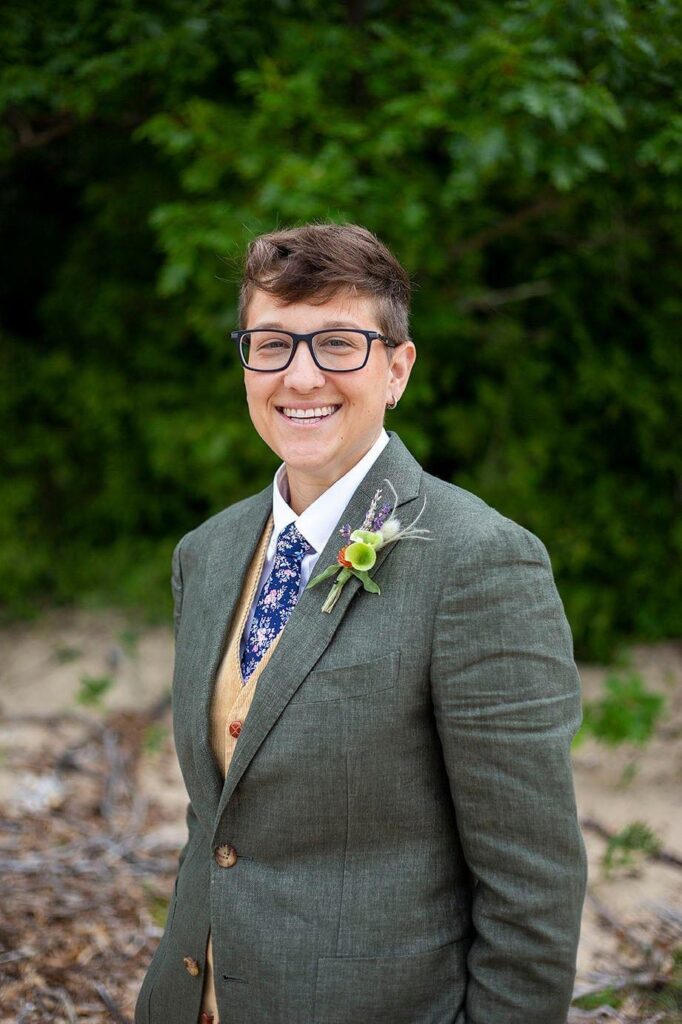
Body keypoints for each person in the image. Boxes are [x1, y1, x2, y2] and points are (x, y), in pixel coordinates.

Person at [134, 223, 587, 1024]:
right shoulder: (204, 554)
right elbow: (220, 822)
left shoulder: (480, 561)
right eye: (271, 344)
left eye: (338, 344)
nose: (300, 376)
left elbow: (531, 882)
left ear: (397, 368)